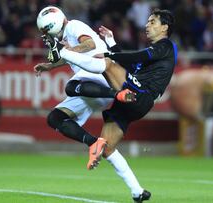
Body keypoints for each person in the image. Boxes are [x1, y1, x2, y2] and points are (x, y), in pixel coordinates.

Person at [57, 9, 177, 202]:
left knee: (108, 64)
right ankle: (137, 191)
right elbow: (129, 67)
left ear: (165, 27)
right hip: (130, 101)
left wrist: (107, 53)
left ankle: (64, 53)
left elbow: (135, 57)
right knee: (107, 149)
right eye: (147, 21)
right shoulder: (153, 55)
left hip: (140, 95)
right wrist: (111, 42)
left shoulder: (166, 46)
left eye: (153, 22)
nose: (147, 25)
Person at [33, 6, 147, 202]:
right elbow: (70, 56)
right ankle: (96, 145)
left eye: (46, 31)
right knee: (55, 118)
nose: (47, 36)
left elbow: (89, 43)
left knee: (71, 86)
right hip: (88, 86)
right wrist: (50, 66)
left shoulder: (74, 26)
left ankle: (118, 94)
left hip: (101, 75)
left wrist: (67, 51)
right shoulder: (64, 35)